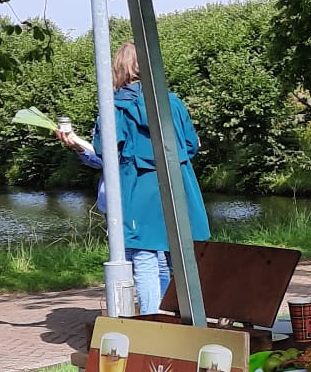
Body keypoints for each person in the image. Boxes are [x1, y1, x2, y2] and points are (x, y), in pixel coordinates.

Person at [58, 41, 210, 314]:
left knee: (145, 259)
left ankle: (153, 325)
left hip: (138, 190)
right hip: (178, 188)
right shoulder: (172, 103)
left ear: (117, 69)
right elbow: (190, 145)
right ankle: (188, 319)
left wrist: (78, 144)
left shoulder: (113, 108)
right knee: (178, 259)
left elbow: (107, 153)